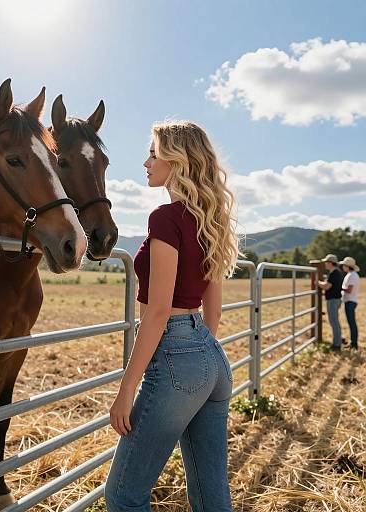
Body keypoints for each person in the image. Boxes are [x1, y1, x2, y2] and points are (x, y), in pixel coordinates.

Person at [104, 121, 239, 512]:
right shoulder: (210, 219)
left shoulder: (165, 217)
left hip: (178, 354)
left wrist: (126, 388)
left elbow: (159, 309)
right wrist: (202, 350)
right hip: (211, 358)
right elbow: (213, 300)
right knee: (211, 493)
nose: (146, 162)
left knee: (124, 496)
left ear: (175, 160)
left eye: (152, 153)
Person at [318, 254, 344, 351]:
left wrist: (318, 283)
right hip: (335, 299)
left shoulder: (334, 274)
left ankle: (336, 344)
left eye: (326, 262)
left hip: (333, 300)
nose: (325, 264)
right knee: (335, 321)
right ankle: (338, 341)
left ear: (330, 263)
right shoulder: (336, 273)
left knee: (334, 322)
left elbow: (327, 286)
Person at [340, 256, 360, 350]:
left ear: (348, 266)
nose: (343, 267)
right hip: (350, 301)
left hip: (350, 301)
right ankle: (353, 342)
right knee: (351, 322)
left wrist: (339, 287)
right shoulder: (352, 275)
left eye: (344, 265)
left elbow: (349, 290)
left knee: (352, 323)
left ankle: (354, 343)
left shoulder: (352, 276)